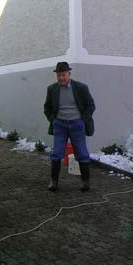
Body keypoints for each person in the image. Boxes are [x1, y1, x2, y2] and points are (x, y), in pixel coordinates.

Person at [44, 62, 95, 192]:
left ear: (69, 74)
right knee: (57, 153)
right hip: (59, 125)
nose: (61, 78)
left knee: (82, 152)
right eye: (59, 75)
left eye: (63, 75)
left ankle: (85, 182)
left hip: (77, 124)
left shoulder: (81, 87)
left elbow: (90, 105)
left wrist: (83, 120)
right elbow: (47, 107)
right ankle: (54, 182)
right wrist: (52, 119)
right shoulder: (52, 89)